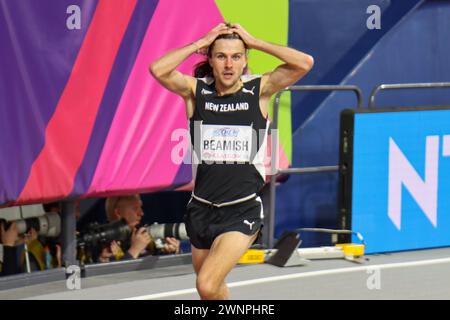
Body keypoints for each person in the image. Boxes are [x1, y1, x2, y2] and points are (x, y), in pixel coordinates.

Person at [150, 22, 314, 299]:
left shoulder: (259, 90)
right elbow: (158, 69)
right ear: (211, 60)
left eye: (236, 56)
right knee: (212, 290)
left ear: (245, 59)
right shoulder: (196, 91)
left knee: (206, 284)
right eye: (221, 56)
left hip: (241, 211)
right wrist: (199, 42)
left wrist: (255, 41)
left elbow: (304, 63)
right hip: (201, 210)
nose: (229, 64)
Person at [98, 194, 180, 263]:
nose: (141, 213)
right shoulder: (103, 243)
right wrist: (134, 250)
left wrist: (171, 253)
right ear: (118, 212)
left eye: (140, 207)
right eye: (135, 208)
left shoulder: (144, 236)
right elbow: (113, 277)